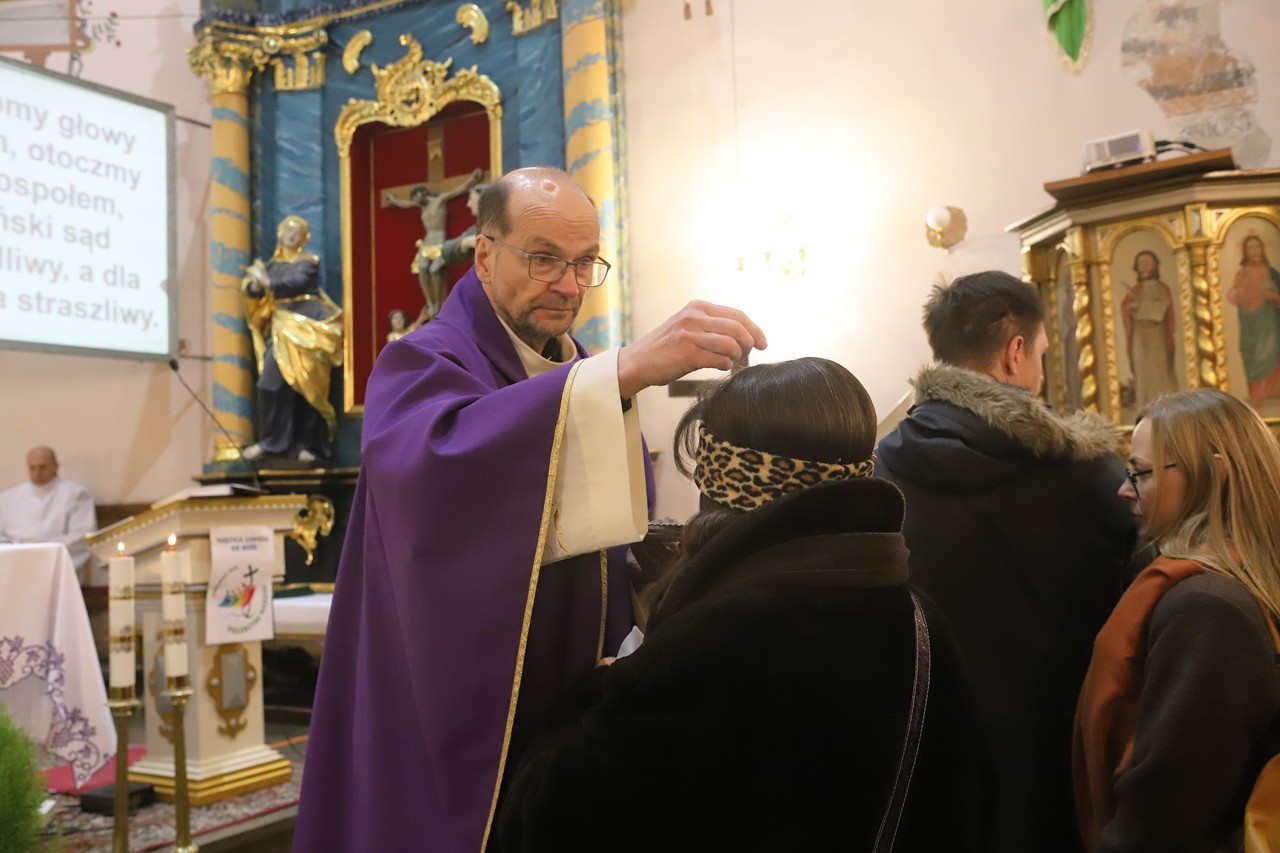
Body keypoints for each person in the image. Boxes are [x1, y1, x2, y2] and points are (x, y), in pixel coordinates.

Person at [295, 166, 767, 853]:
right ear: (485, 255)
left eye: (585, 263)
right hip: (453, 703)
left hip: (572, 696)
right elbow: (435, 485)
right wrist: (622, 372)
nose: (570, 286)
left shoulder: (580, 368)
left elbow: (616, 525)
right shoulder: (418, 362)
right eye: (544, 258)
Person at [494, 357, 995, 852]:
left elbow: (549, 822)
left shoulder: (713, 641)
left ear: (718, 487)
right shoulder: (922, 624)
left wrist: (590, 695)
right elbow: (970, 805)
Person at [875, 270, 1136, 853]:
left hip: (933, 761)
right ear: (1016, 352)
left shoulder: (882, 471)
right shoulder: (1093, 476)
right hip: (1058, 761)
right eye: (1041, 354)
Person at [1074, 388, 1280, 851]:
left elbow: (1165, 814)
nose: (1124, 489)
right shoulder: (1243, 579)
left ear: (1216, 474)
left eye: (1141, 473)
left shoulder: (1209, 609)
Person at [240, 215, 343, 463]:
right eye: (288, 230)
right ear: (280, 233)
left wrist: (266, 281)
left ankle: (308, 446)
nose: (292, 236)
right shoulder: (271, 265)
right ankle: (271, 442)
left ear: (303, 239)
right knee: (269, 384)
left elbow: (297, 282)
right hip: (280, 327)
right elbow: (255, 293)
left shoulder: (308, 261)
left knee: (307, 385)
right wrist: (255, 286)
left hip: (308, 326)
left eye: (298, 233)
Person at [385, 168, 486, 322]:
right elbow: (406, 204)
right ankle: (430, 303)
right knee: (422, 269)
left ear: (424, 194)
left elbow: (457, 190)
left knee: (434, 270)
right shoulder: (421, 206)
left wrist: (472, 180)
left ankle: (439, 304)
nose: (416, 201)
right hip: (427, 242)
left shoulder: (439, 200)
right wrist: (393, 201)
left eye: (417, 197)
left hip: (439, 241)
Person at [0, 447, 97, 576]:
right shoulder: (8, 498)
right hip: (15, 562)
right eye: (32, 468)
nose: (37, 473)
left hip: (54, 563)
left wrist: (41, 551)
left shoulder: (75, 495)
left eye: (42, 467)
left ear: (56, 466)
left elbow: (82, 536)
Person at [1226, 234, 1280, 402]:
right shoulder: (1242, 274)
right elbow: (1232, 296)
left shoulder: (1271, 273)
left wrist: (1274, 296)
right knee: (1253, 356)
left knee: (1271, 354)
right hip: (1250, 325)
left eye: (1257, 247)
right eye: (1251, 247)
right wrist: (1244, 292)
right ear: (1245, 251)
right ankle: (1257, 396)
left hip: (1270, 324)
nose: (1255, 251)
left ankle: (1273, 394)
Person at [1120, 250, 1177, 408]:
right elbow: (1126, 308)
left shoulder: (1161, 288)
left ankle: (1163, 405)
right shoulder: (1136, 290)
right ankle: (1144, 406)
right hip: (1139, 337)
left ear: (1155, 266)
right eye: (1140, 264)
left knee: (1158, 372)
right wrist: (1130, 308)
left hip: (1157, 336)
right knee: (1142, 373)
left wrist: (1144, 308)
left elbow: (1164, 309)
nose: (1144, 267)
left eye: (1148, 263)